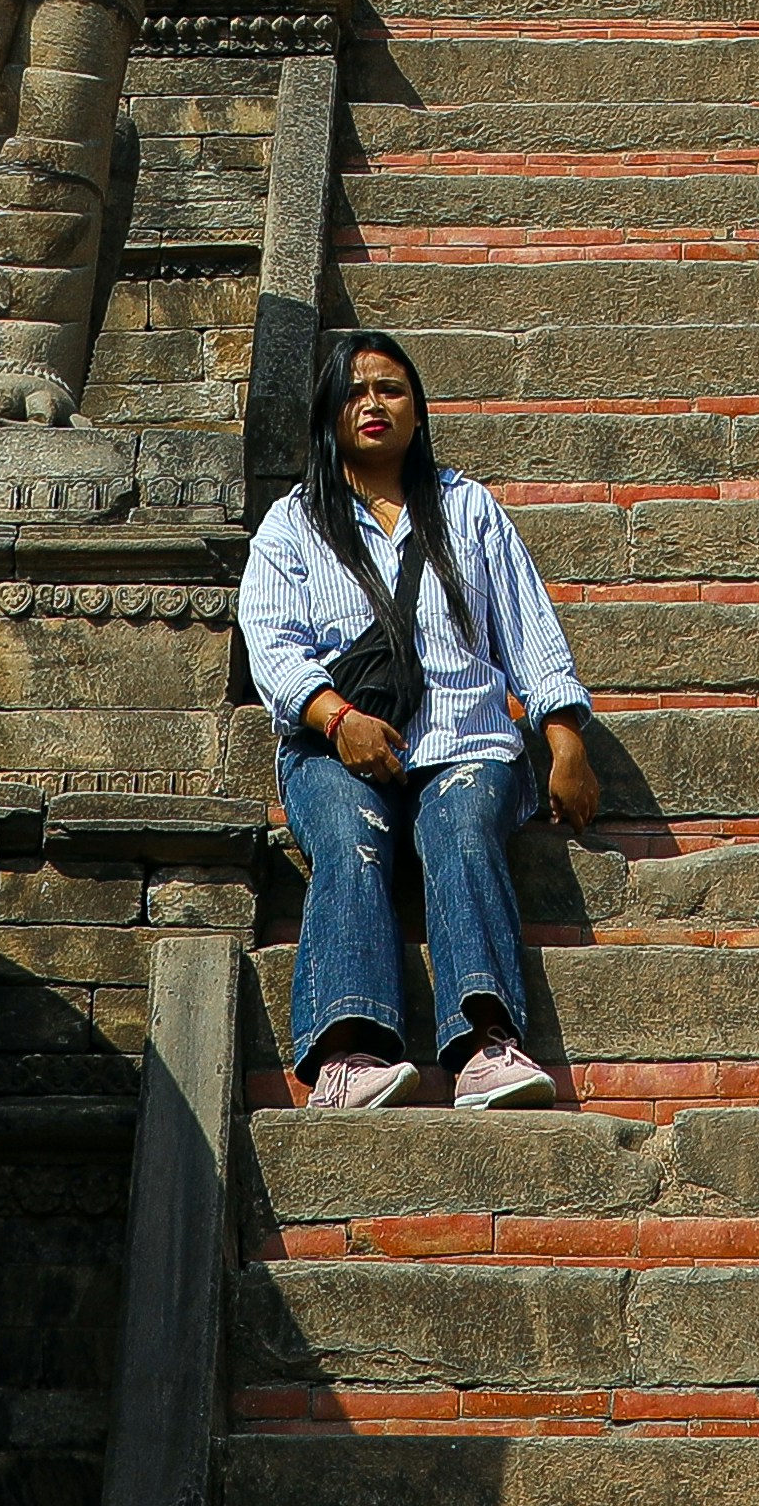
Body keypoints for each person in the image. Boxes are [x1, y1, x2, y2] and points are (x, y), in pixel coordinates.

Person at [237, 327, 604, 1110]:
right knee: (350, 839)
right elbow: (270, 645)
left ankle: (485, 1046)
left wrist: (565, 740)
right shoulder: (292, 524)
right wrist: (337, 720)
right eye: (356, 391)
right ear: (329, 412)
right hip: (333, 750)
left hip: (467, 743)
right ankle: (345, 1055)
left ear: (418, 409)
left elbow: (529, 630)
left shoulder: (469, 509)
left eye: (392, 389)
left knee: (459, 832)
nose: (375, 404)